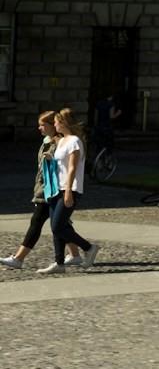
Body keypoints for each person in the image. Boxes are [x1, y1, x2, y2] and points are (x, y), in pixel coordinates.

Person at [40, 108, 96, 274]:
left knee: (58, 226)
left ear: (64, 123)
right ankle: (59, 263)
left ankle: (89, 247)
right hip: (57, 187)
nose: (54, 124)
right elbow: (62, 164)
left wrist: (69, 192)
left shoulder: (74, 141)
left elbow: (72, 167)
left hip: (69, 188)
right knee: (56, 226)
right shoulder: (62, 140)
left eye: (56, 122)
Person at [1, 112, 59, 270]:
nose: (39, 128)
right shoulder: (46, 141)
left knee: (37, 222)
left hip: (50, 190)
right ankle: (81, 251)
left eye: (42, 125)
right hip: (44, 188)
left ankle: (18, 258)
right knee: (62, 224)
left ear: (53, 125)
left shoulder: (58, 143)